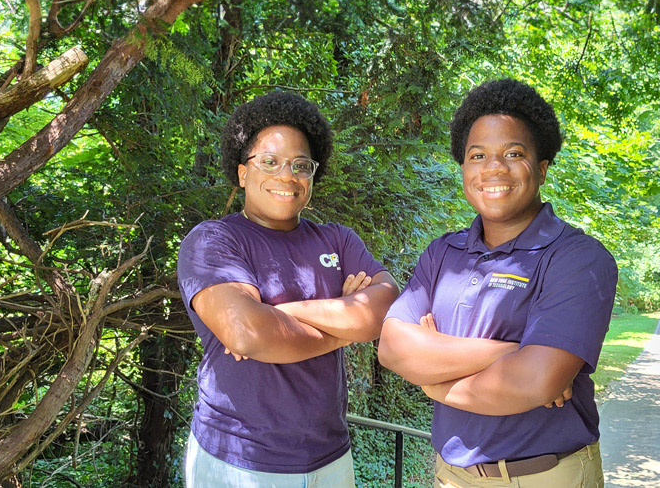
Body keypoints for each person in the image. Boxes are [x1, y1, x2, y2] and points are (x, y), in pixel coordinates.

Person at [378, 78, 618, 487]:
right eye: (478, 155)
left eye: (513, 153)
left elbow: (534, 381)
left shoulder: (578, 259)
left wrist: (433, 383)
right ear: (464, 169)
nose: (493, 167)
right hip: (450, 475)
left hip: (546, 476)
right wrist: (512, 351)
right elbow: (392, 348)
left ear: (541, 169)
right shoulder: (442, 255)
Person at [177, 91, 398, 487]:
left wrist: (280, 314)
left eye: (300, 165)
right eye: (270, 161)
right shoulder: (213, 240)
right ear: (243, 172)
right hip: (239, 460)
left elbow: (386, 309)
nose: (286, 175)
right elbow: (247, 332)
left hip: (331, 457)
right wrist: (345, 322)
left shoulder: (338, 240)